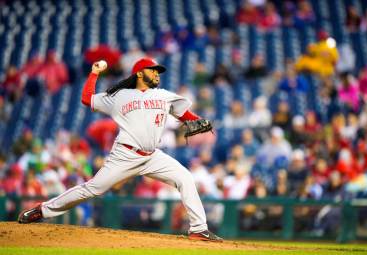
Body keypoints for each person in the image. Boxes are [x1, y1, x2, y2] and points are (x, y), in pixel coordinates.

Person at [18, 57, 222, 242]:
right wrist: (94, 73)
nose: (157, 74)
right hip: (125, 154)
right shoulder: (119, 96)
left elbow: (183, 113)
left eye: (158, 71)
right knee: (92, 189)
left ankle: (198, 228)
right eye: (153, 70)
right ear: (140, 73)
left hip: (152, 156)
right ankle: (42, 211)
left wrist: (197, 121)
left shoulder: (163, 96)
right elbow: (87, 99)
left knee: (185, 178)